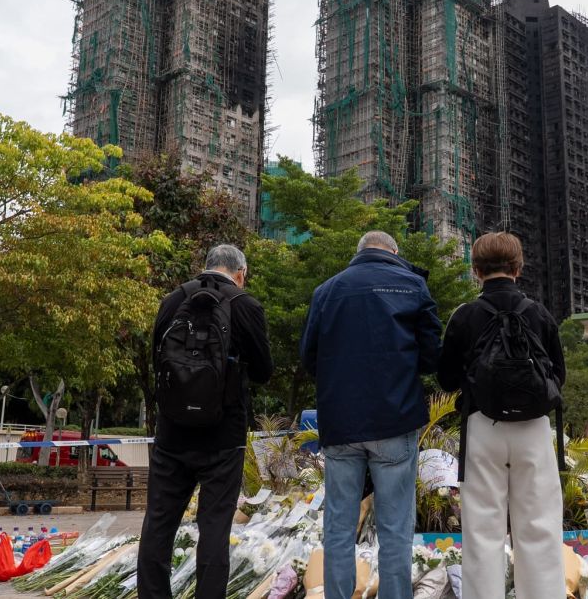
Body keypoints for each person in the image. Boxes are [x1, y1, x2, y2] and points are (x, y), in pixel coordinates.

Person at [301, 231, 442, 599]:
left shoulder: (326, 291)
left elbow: (309, 359)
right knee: (395, 527)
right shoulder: (411, 286)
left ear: (358, 251)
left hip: (341, 422)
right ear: (393, 252)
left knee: (339, 525)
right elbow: (432, 356)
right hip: (395, 419)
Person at [138, 244, 273, 599]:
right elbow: (263, 371)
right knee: (214, 525)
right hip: (223, 438)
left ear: (206, 266)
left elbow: (157, 360)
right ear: (240, 273)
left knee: (159, 523)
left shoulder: (172, 300)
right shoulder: (245, 305)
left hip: (171, 435)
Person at [437, 232, 566, 599]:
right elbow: (558, 376)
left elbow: (446, 380)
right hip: (534, 430)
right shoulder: (539, 313)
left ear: (475, 270)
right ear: (518, 267)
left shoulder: (464, 315)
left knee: (482, 531)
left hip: (482, 426)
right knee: (540, 527)